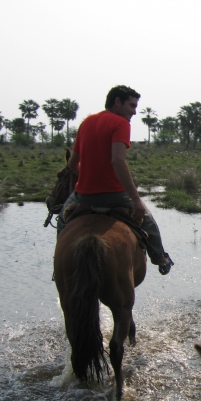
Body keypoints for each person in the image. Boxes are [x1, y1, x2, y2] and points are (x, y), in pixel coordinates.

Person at [58, 85, 174, 275]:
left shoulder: (86, 122)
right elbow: (117, 160)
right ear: (117, 102)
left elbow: (72, 164)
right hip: (115, 196)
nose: (134, 112)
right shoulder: (120, 123)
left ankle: (60, 266)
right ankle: (160, 258)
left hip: (84, 197)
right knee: (149, 224)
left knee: (63, 222)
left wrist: (88, 175)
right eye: (131, 106)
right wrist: (135, 200)